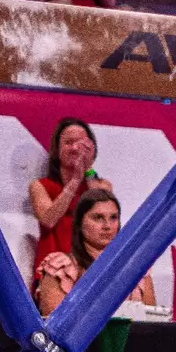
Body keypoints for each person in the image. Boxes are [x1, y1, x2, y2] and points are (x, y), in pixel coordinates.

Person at [35, 189, 155, 318]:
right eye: (98, 218)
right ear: (80, 223)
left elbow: (151, 324)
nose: (107, 226)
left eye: (113, 218)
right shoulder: (59, 268)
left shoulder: (138, 270)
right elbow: (54, 327)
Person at [29, 118, 113, 275]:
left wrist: (87, 170)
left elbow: (102, 209)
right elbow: (48, 220)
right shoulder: (40, 186)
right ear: (57, 149)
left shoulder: (102, 186)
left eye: (81, 144)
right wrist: (74, 181)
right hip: (52, 273)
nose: (75, 148)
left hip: (91, 272)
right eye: (68, 142)